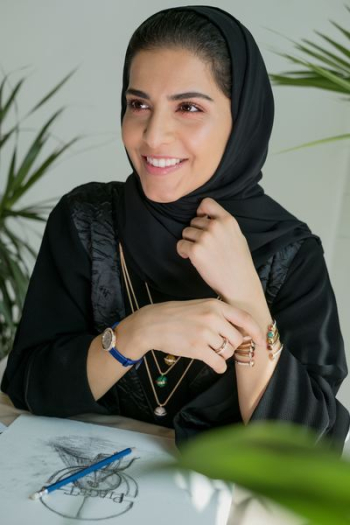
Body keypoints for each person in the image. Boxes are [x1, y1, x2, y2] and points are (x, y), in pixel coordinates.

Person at [2, 5, 349, 455]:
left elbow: (306, 448)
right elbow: (30, 384)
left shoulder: (291, 254)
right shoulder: (86, 220)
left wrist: (247, 295)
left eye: (188, 107)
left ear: (241, 119)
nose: (152, 135)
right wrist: (139, 332)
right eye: (138, 104)